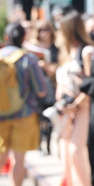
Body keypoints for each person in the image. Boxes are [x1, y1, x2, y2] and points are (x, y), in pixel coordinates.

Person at [0, 22, 47, 186]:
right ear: (23, 38)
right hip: (24, 114)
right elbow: (41, 90)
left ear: (6, 37)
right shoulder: (28, 59)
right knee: (19, 159)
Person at [56, 10, 94, 186]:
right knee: (65, 153)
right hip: (66, 110)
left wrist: (76, 103)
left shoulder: (86, 51)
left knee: (76, 151)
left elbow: (91, 84)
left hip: (82, 108)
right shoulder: (65, 53)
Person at [31, 20, 59, 155]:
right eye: (41, 29)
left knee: (49, 116)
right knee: (38, 116)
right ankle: (39, 144)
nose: (44, 33)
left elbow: (58, 67)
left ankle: (47, 145)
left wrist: (47, 67)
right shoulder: (34, 48)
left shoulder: (55, 48)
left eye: (46, 29)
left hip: (50, 85)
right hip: (35, 86)